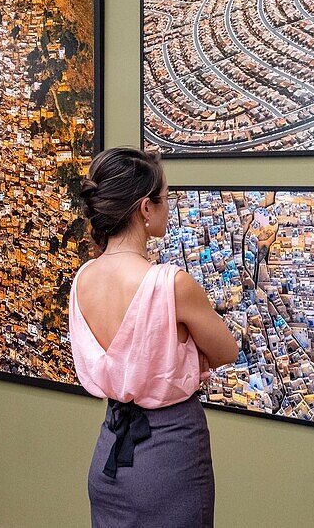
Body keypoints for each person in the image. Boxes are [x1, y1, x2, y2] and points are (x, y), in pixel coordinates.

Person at [68, 147, 239, 528]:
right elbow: (226, 350)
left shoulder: (82, 281)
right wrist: (190, 356)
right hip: (169, 455)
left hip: (109, 453)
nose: (168, 207)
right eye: (164, 199)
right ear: (145, 209)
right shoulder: (170, 284)